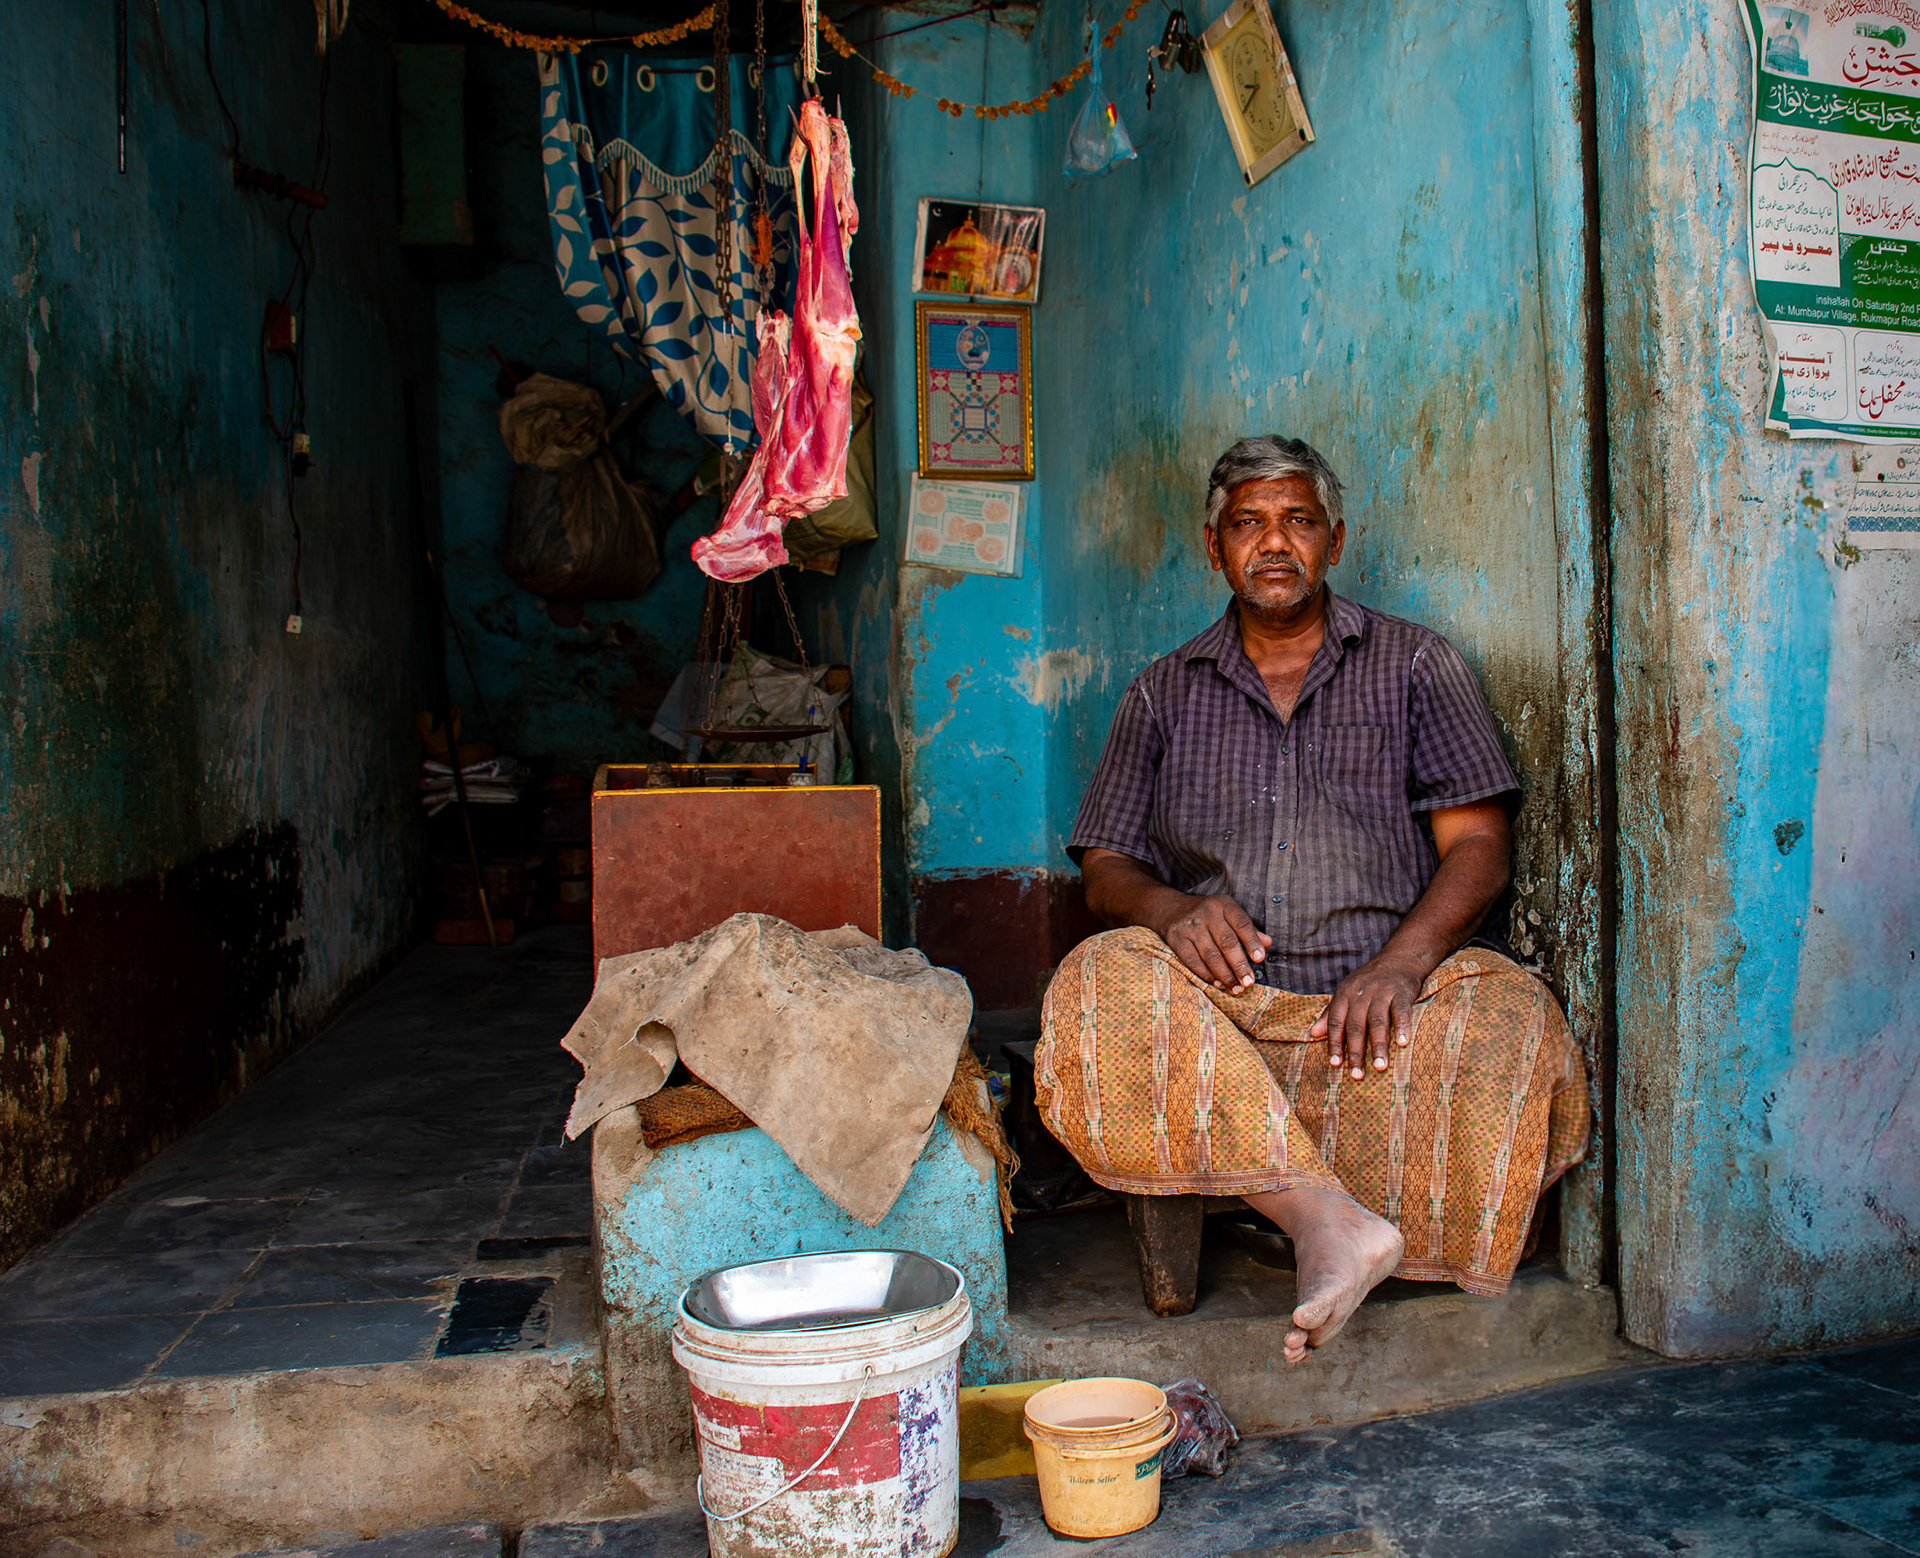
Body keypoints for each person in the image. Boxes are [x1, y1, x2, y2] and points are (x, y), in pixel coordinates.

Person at [1037, 436, 1589, 1364]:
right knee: (1099, 978)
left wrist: (1402, 966)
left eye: (1297, 520)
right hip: (1223, 1028)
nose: (1276, 542)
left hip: (1377, 1025)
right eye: (1248, 523)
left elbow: (1481, 846)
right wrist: (1171, 912)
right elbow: (1105, 866)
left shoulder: (1417, 666)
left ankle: (1308, 1202)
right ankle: (1323, 1219)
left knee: (1511, 1013)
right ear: (1213, 547)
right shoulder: (1160, 695)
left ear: (1336, 536)